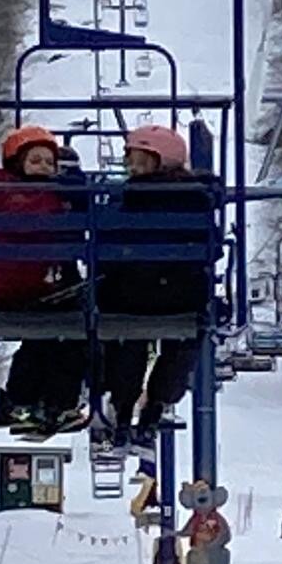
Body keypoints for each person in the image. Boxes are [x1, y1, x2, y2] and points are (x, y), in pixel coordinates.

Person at [97, 125, 215, 447]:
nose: (133, 170)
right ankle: (157, 404)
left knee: (126, 342)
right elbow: (211, 247)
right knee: (181, 344)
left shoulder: (124, 198)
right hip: (182, 296)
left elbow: (104, 241)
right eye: (131, 163)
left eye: (140, 163)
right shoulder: (196, 198)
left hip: (127, 295)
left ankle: (123, 408)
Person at [0, 125, 86, 434]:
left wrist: (75, 192)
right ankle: (53, 403)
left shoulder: (38, 195)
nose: (44, 168)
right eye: (36, 161)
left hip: (42, 285)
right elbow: (35, 217)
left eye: (49, 163)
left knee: (48, 340)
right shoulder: (10, 193)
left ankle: (32, 401)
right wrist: (68, 192)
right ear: (18, 164)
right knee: (67, 335)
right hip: (25, 286)